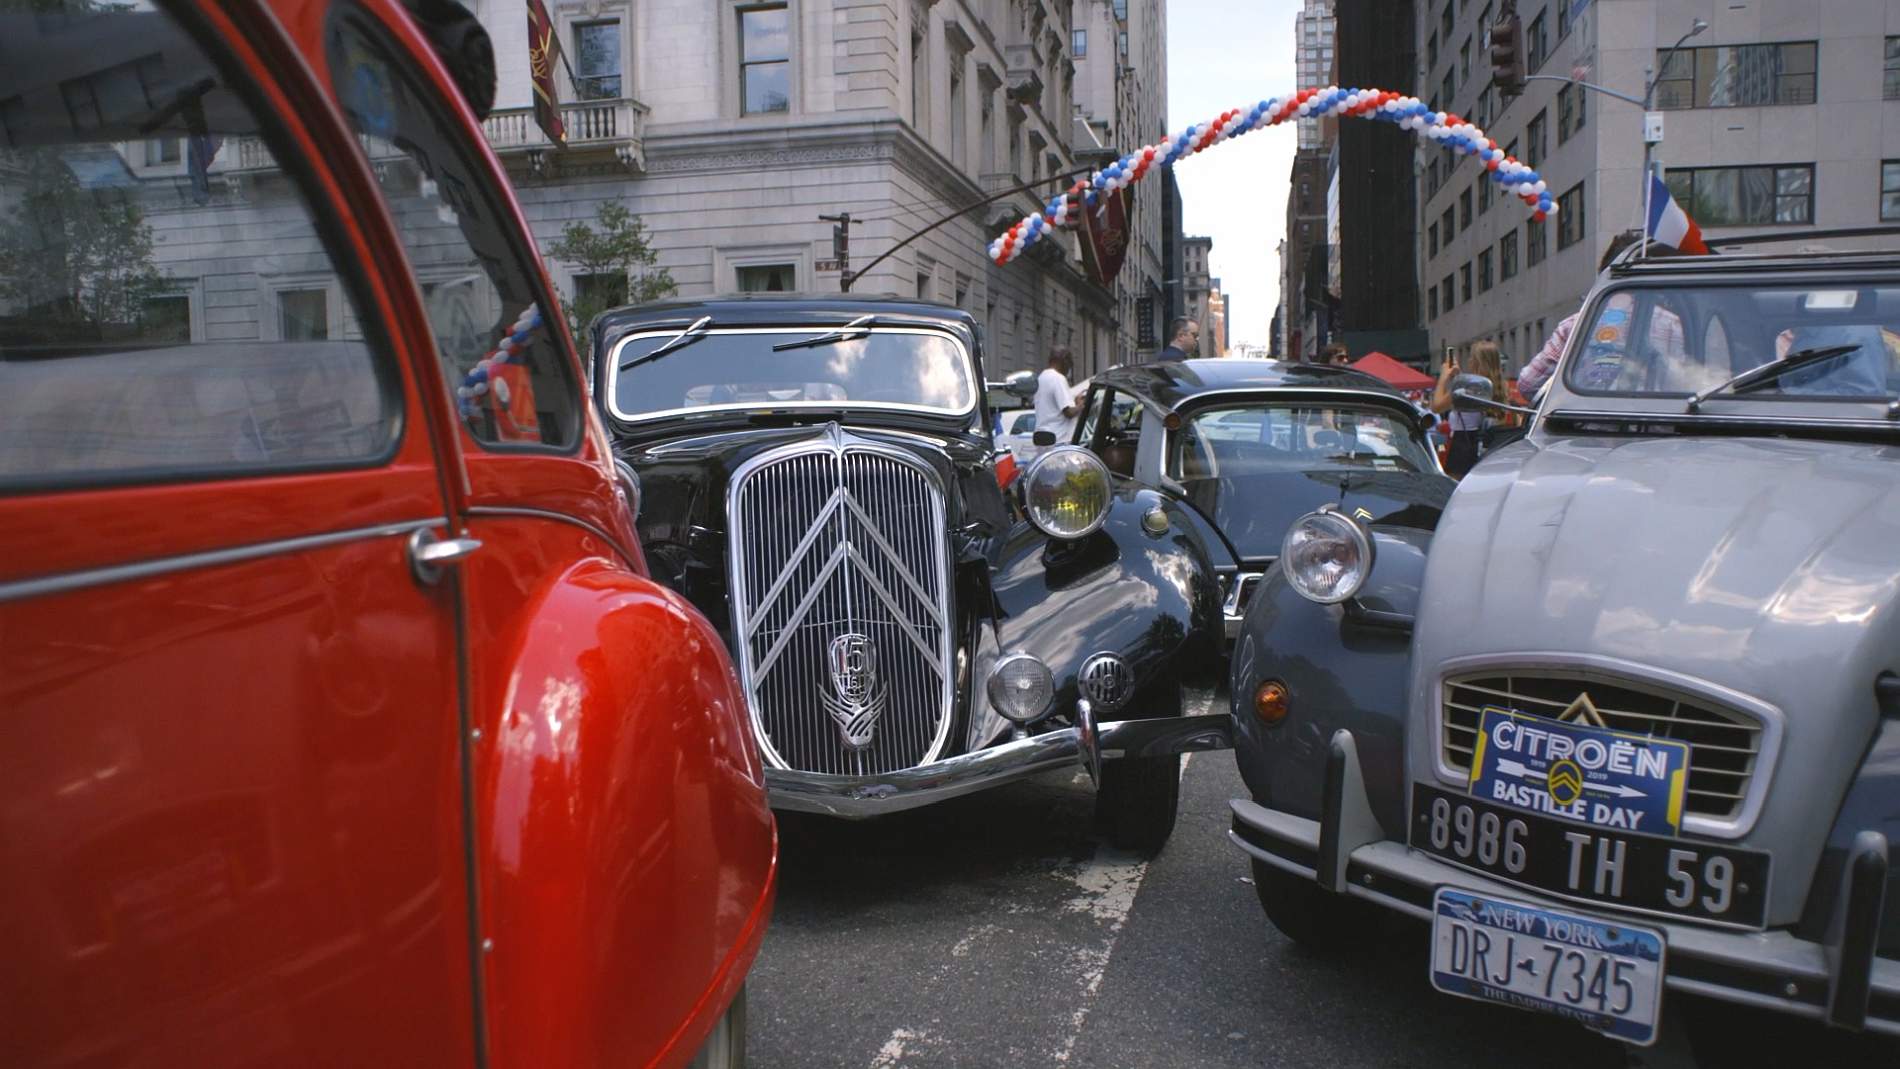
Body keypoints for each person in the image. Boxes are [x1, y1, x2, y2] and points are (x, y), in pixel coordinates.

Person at [1519, 230, 1683, 396]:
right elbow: (1688, 386)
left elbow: (1529, 383)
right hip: (1651, 419)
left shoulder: (1575, 325)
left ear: (1605, 273)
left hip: (1582, 419)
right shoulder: (1675, 325)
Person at [1432, 340, 1512, 478]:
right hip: (1488, 445)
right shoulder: (1501, 387)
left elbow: (1436, 406)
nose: (1468, 361)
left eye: (1471, 358)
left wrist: (1444, 377)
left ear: (1476, 362)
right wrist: (1459, 376)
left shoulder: (1466, 387)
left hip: (1462, 446)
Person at [1032, 347, 1079, 448]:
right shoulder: (1058, 378)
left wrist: (1074, 403)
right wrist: (1082, 405)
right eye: (1070, 365)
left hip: (1042, 437)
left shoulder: (1041, 378)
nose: (1068, 370)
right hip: (1059, 439)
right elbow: (1068, 412)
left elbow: (1052, 408)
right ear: (1064, 360)